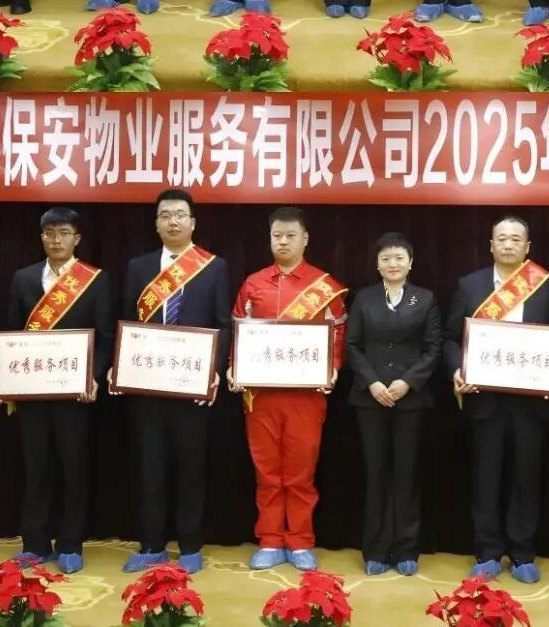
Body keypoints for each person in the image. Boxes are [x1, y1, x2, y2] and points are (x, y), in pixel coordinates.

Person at [444, 216, 549, 584]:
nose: (509, 244)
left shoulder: (547, 285)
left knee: (526, 478)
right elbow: (450, 339)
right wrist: (457, 369)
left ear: (527, 247)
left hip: (531, 402)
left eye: (516, 239)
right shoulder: (470, 285)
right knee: (486, 477)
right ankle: (487, 553)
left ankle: (523, 553)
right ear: (491, 245)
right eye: (502, 238)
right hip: (485, 399)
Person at [115, 190, 231, 574]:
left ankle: (191, 545)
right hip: (147, 385)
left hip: (192, 387)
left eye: (180, 214)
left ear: (193, 222)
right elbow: (127, 321)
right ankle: (151, 545)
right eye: (165, 215)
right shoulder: (138, 267)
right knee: (150, 467)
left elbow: (222, 323)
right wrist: (119, 365)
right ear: (156, 224)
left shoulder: (213, 267)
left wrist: (213, 372)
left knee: (191, 468)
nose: (173, 221)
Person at [0, 207, 114, 574]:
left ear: (76, 238)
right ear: (41, 237)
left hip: (75, 395)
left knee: (74, 469)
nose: (56, 240)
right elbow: (12, 333)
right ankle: (34, 543)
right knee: (36, 469)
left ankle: (70, 544)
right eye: (49, 233)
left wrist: (94, 377)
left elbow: (106, 336)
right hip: (33, 393)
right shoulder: (23, 278)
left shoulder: (94, 280)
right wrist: (1, 377)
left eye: (64, 233)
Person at [229, 207, 346, 571]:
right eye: (276, 236)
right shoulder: (253, 284)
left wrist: (333, 368)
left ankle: (299, 540)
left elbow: (338, 336)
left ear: (305, 239)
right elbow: (238, 333)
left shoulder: (325, 287)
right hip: (260, 395)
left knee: (300, 471)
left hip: (305, 397)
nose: (283, 242)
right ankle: (269, 539)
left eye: (290, 236)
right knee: (266, 470)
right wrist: (234, 366)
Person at [345, 232, 441, 576]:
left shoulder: (425, 299)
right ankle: (375, 548)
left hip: (410, 399)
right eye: (386, 258)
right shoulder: (364, 298)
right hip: (370, 398)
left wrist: (407, 382)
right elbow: (352, 345)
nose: (392, 264)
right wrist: (372, 382)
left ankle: (406, 549)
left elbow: (433, 347)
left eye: (399, 257)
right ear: (377, 264)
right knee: (376, 472)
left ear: (411, 263)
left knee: (406, 473)